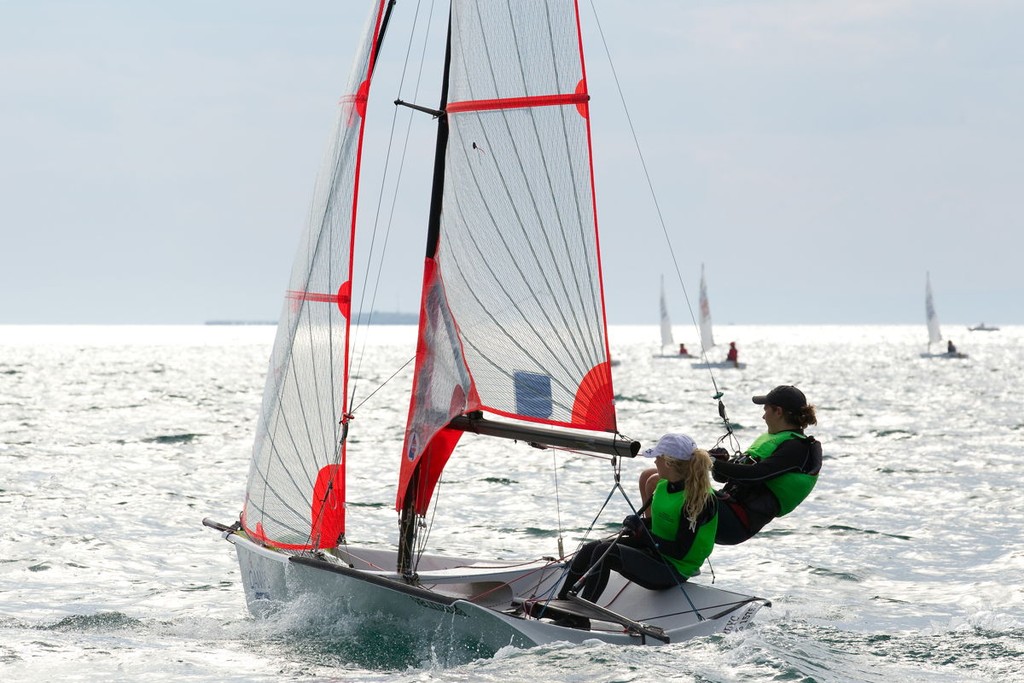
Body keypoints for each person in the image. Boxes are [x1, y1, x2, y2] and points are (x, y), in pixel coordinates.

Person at [552, 433, 717, 629]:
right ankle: (561, 603)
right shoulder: (664, 486)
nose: (655, 461)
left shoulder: (699, 500)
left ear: (670, 463)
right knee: (591, 548)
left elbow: (679, 550)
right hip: (655, 552)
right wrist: (639, 524)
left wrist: (643, 533)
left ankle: (581, 618)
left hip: (673, 568)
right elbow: (661, 528)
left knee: (605, 554)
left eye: (658, 457)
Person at [710, 385, 822, 545]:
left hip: (737, 521)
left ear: (778, 411)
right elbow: (723, 477)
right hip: (727, 505)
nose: (763, 416)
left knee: (669, 484)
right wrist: (719, 463)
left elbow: (756, 474)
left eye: (765, 410)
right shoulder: (774, 439)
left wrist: (710, 462)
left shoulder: (797, 448)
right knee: (662, 479)